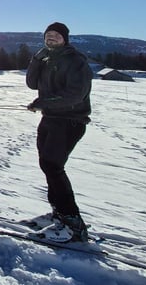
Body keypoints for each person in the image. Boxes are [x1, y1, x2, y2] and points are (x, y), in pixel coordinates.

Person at [26, 21, 92, 242]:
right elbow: (31, 83)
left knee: (53, 165)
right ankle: (59, 214)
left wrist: (44, 102)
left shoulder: (76, 61)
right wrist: (37, 59)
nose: (51, 38)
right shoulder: (46, 59)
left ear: (65, 39)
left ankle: (73, 223)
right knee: (47, 164)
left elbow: (75, 95)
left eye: (55, 35)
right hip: (50, 119)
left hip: (70, 121)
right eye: (48, 35)